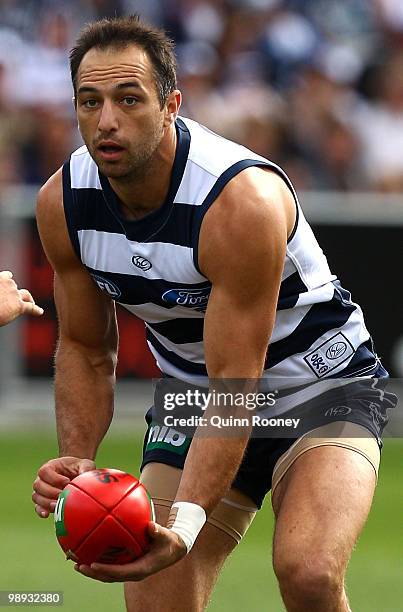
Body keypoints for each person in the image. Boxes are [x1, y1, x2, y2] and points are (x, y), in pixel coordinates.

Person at [31, 15, 394, 612]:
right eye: (89, 102)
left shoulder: (237, 200)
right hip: (195, 397)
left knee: (306, 571)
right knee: (151, 598)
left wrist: (190, 519)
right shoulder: (62, 203)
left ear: (171, 103)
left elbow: (237, 383)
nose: (107, 121)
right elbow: (86, 348)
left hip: (320, 388)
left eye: (129, 99)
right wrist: (81, 461)